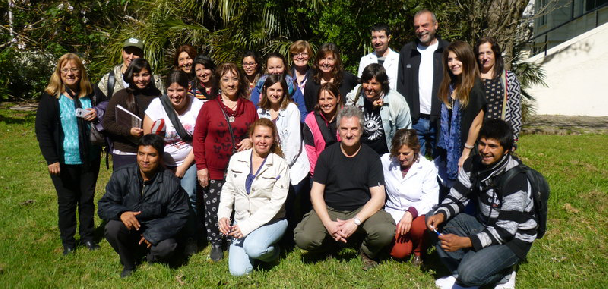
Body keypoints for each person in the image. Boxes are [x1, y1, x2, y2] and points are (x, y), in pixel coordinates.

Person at [427, 119, 537, 289]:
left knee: (469, 273)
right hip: (485, 225)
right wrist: (441, 214)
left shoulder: (516, 179)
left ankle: (503, 274)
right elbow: (456, 197)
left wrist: (465, 242)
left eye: (493, 146)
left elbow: (506, 230)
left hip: (513, 240)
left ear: (506, 150)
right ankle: (463, 274)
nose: (485, 151)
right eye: (482, 144)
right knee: (432, 218)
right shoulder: (473, 163)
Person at [294, 106, 395, 271]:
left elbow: (379, 196)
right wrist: (328, 223)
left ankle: (366, 250)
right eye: (344, 129)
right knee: (304, 238)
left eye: (354, 129)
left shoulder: (372, 157)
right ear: (338, 131)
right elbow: (316, 193)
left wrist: (356, 222)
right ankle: (330, 244)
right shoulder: (327, 155)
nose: (349, 134)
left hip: (361, 210)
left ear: (361, 130)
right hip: (331, 209)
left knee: (385, 231)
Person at [35, 53, 103, 255]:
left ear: (80, 71)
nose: (70, 73)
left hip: (89, 157)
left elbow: (108, 108)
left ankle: (88, 236)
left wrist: (97, 112)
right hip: (63, 159)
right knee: (66, 201)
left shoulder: (91, 92)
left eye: (74, 69)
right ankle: (68, 241)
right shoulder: (51, 97)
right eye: (65, 70)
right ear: (59, 73)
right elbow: (42, 129)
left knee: (87, 199)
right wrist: (52, 159)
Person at [98, 134, 190, 278]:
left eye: (151, 155)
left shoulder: (170, 181)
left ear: (159, 157)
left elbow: (180, 214)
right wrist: (121, 213)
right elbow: (104, 205)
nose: (145, 160)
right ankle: (128, 263)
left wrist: (154, 234)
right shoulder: (122, 175)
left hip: (155, 227)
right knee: (112, 228)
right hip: (130, 227)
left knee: (168, 247)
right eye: (141, 154)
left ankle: (148, 257)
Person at [193, 62, 258, 261]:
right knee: (213, 208)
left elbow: (258, 132)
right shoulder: (209, 107)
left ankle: (234, 240)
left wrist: (250, 139)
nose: (231, 83)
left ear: (241, 81)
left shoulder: (248, 106)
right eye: (226, 79)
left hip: (240, 170)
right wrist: (201, 167)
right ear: (219, 82)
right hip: (214, 169)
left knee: (239, 206)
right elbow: (198, 137)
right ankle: (216, 243)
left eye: (235, 78)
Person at [218, 119, 290, 276]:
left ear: (273, 140)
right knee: (239, 272)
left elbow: (276, 204)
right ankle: (256, 251)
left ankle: (273, 253)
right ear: (251, 137)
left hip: (271, 221)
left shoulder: (280, 165)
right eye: (258, 136)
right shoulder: (237, 159)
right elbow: (228, 189)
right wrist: (223, 215)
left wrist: (246, 228)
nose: (262, 141)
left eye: (267, 137)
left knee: (254, 248)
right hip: (241, 220)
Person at [257, 74, 310, 240]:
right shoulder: (261, 112)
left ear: (285, 92)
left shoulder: (291, 110)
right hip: (269, 163)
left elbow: (294, 144)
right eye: (271, 89)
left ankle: (292, 236)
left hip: (291, 165)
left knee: (291, 202)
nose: (275, 93)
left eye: (279, 90)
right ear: (265, 90)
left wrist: (281, 167)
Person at [143, 70, 203, 214]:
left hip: (189, 159)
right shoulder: (156, 105)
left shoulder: (198, 106)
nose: (175, 95)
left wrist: (182, 168)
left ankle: (190, 232)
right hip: (160, 161)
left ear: (187, 89)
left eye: (180, 90)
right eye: (171, 90)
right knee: (162, 196)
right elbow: (148, 140)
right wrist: (162, 165)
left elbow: (199, 141)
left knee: (188, 195)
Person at [380, 129, 439, 266]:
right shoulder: (386, 161)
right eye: (398, 153)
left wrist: (411, 212)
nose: (401, 158)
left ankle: (419, 252)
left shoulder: (427, 167)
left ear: (416, 150)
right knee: (399, 253)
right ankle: (408, 241)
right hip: (394, 212)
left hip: (418, 213)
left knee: (419, 227)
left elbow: (431, 199)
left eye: (406, 154)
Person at [396, 10, 450, 157]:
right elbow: (400, 86)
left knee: (442, 164)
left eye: (425, 25)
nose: (420, 30)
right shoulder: (407, 51)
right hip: (415, 121)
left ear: (436, 25)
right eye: (417, 27)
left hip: (441, 120)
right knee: (414, 164)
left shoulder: (447, 50)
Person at [436, 41, 486, 187]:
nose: (453, 63)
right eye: (450, 59)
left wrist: (465, 153)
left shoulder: (475, 87)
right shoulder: (451, 85)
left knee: (465, 191)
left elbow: (476, 125)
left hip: (467, 150)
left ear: (467, 59)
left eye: (458, 59)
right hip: (449, 150)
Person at [103, 58, 162, 170]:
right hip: (125, 153)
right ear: (131, 76)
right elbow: (107, 123)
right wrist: (128, 131)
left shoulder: (157, 95)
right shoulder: (120, 96)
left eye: (145, 75)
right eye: (136, 75)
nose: (141, 79)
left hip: (150, 152)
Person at [346, 63, 412, 155]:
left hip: (385, 156)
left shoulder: (397, 101)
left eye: (374, 83)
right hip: (359, 154)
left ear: (382, 84)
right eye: (366, 82)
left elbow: (405, 134)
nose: (369, 87)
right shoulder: (354, 97)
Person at [475, 37, 522, 146]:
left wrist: (513, 140)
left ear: (495, 53)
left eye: (488, 52)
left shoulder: (508, 78)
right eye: (481, 54)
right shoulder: (471, 78)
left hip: (499, 137)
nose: (485, 57)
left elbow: (516, 110)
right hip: (475, 136)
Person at [97, 37, 164, 99]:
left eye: (136, 53)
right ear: (122, 52)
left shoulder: (154, 81)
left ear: (142, 55)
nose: (131, 57)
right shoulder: (108, 80)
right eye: (128, 52)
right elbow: (101, 105)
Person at [303, 43, 358, 113]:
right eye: (323, 58)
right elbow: (310, 110)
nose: (326, 62)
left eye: (330, 59)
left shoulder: (346, 79)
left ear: (336, 61)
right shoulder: (311, 84)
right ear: (317, 61)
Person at [249, 53, 306, 119]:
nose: (275, 71)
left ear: (284, 67)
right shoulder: (259, 87)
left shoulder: (293, 87)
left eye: (279, 67)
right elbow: (252, 113)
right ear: (267, 69)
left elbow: (303, 115)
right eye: (271, 68)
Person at [302, 82, 341, 177]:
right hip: (320, 171)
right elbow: (310, 149)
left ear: (338, 98)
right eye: (322, 99)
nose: (326, 103)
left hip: (343, 170)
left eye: (330, 98)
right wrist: (318, 175)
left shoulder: (347, 117)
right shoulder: (311, 120)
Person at [357, 23, 399, 91]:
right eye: (374, 38)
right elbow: (360, 85)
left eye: (381, 37)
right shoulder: (365, 60)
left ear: (388, 38)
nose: (377, 41)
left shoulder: (398, 59)